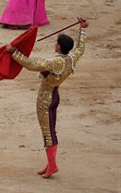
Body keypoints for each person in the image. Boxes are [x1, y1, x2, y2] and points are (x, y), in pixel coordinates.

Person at [5, 17, 88, 178]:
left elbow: (32, 65)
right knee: (50, 130)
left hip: (46, 98)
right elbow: (81, 48)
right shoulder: (71, 58)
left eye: (56, 43)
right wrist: (83, 29)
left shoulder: (55, 62)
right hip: (55, 95)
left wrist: (14, 53)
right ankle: (50, 164)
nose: (55, 44)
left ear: (59, 46)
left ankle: (53, 166)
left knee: (47, 132)